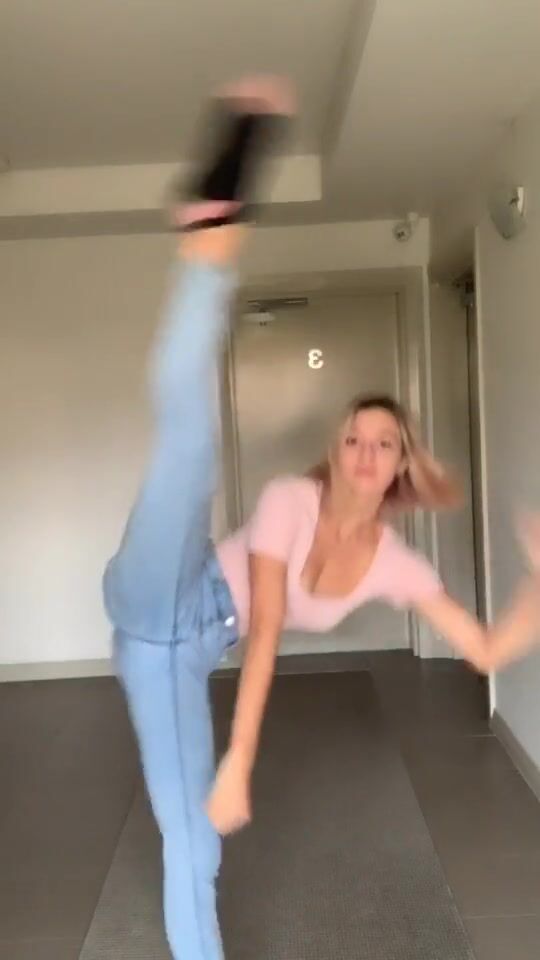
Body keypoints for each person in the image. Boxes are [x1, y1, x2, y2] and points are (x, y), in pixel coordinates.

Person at [103, 78, 540, 960]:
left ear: (401, 464)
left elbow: (488, 651)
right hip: (167, 584)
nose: (366, 452)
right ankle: (213, 232)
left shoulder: (396, 563)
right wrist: (240, 760)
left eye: (385, 443)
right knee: (189, 441)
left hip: (169, 656)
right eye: (354, 438)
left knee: (194, 844)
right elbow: (267, 631)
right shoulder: (288, 501)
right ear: (336, 453)